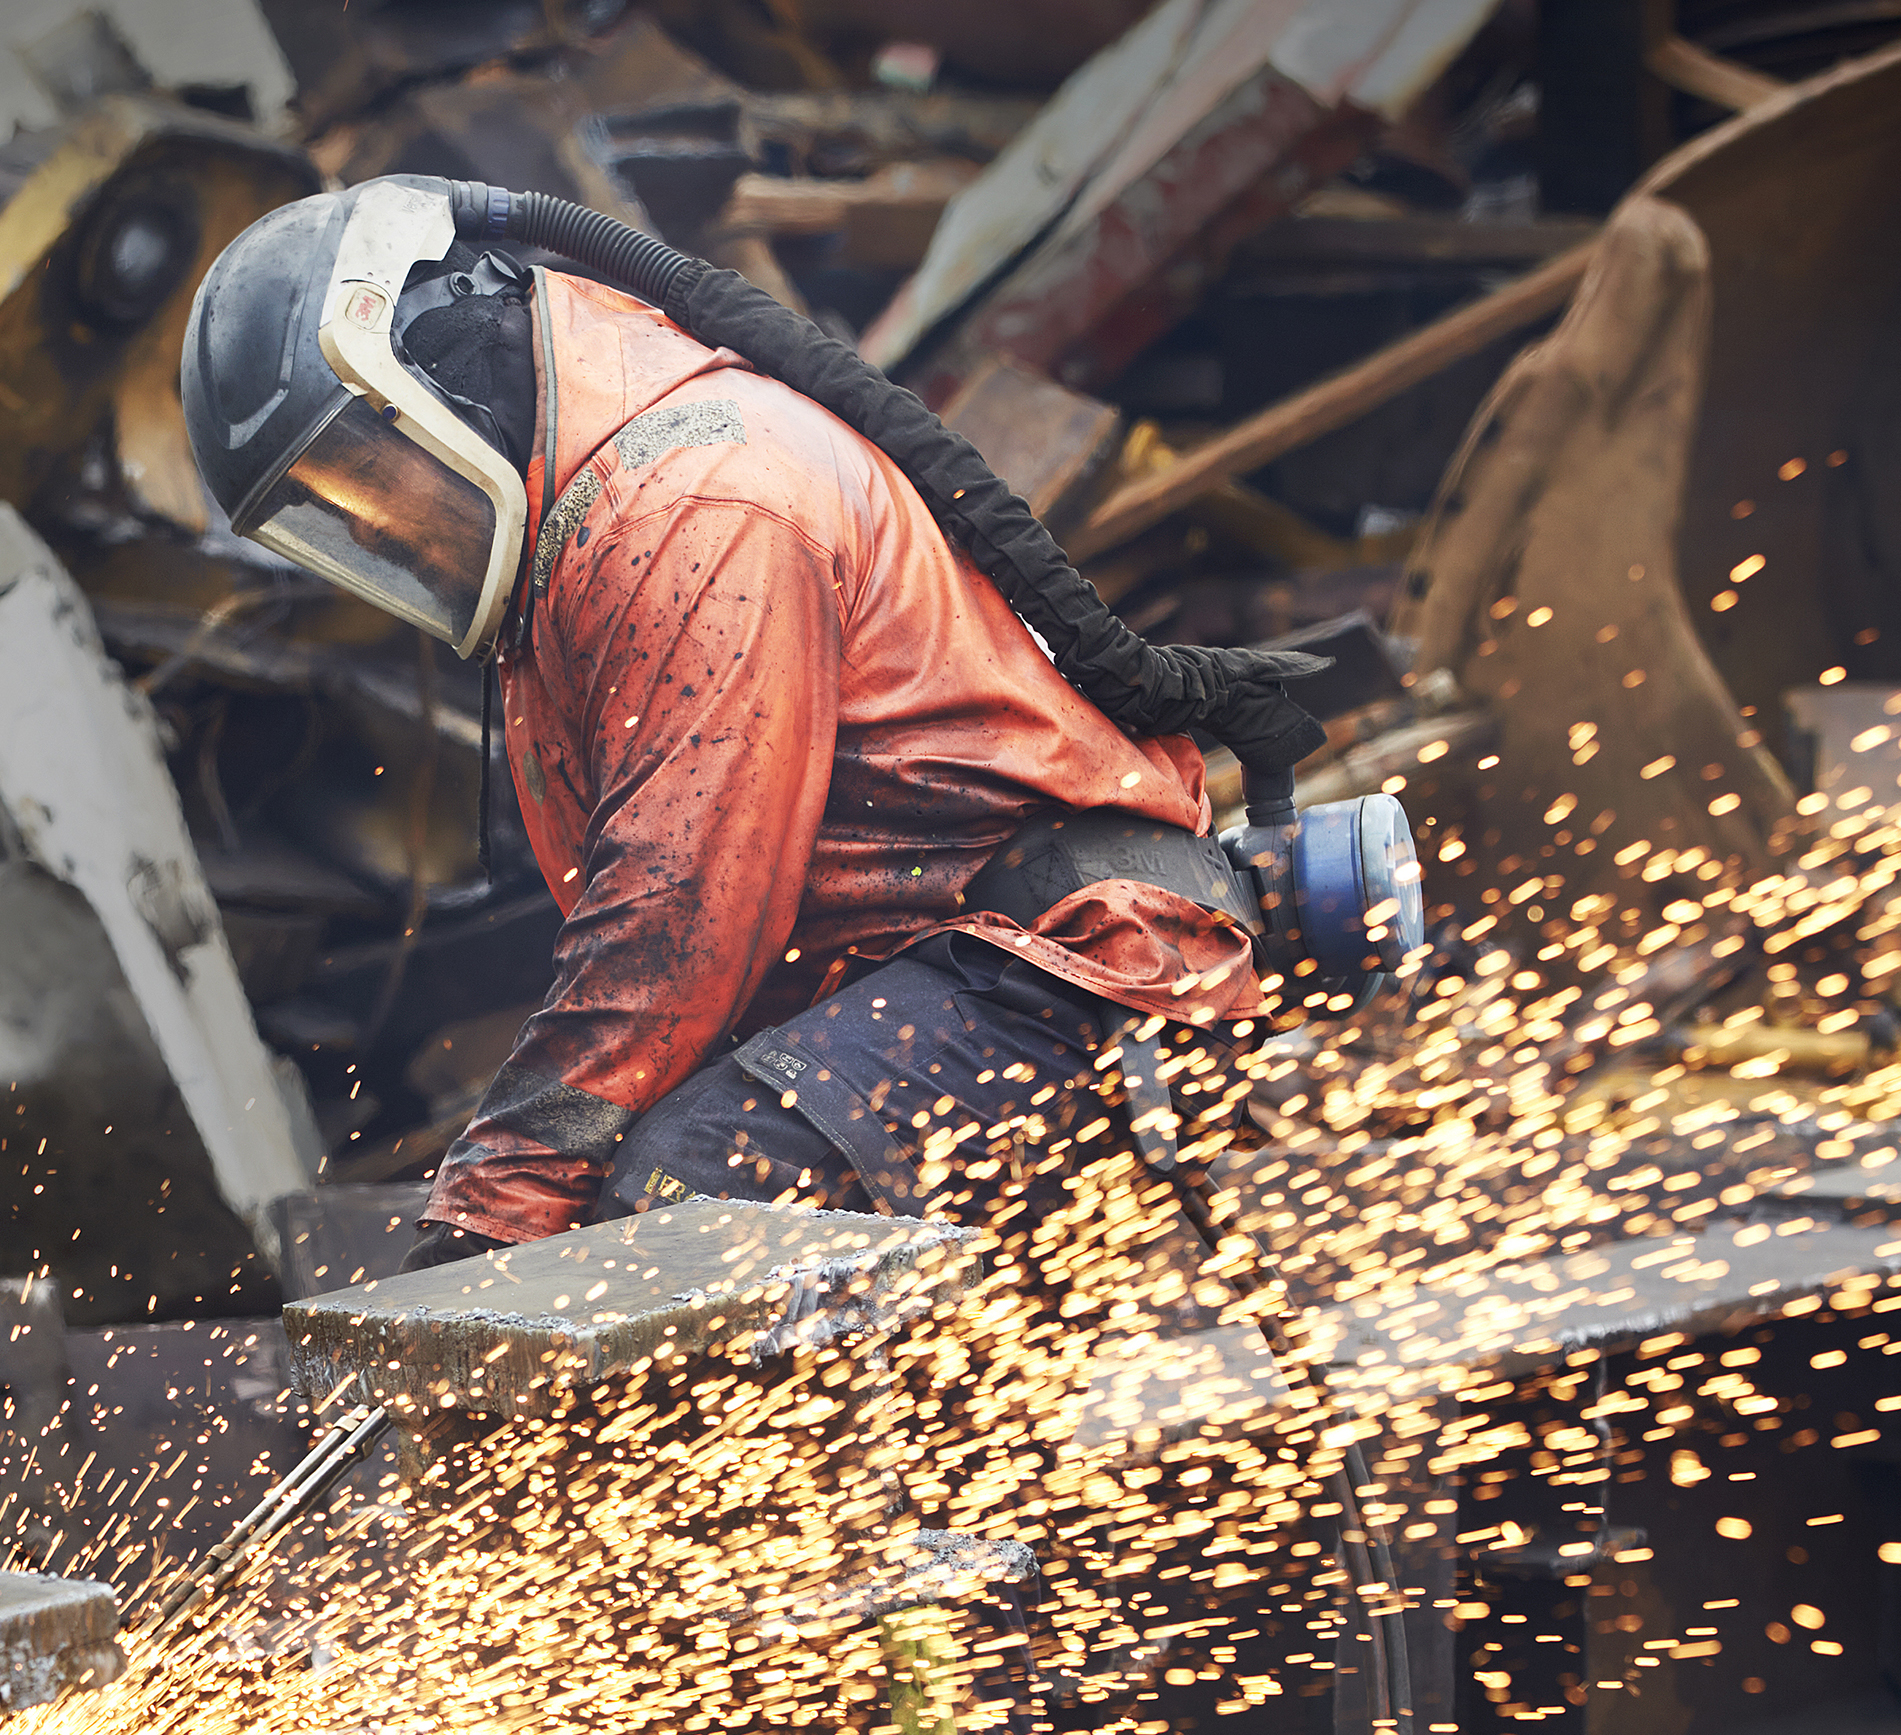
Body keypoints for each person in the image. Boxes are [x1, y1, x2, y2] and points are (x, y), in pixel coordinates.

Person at [178, 177, 1302, 1269]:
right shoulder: (586, 529)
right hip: (955, 984)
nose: (376, 537)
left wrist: (486, 1215)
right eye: (333, 516)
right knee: (623, 1222)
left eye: (366, 487)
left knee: (689, 1199)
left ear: (437, 381)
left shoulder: (694, 506)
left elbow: (673, 928)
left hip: (1071, 973)